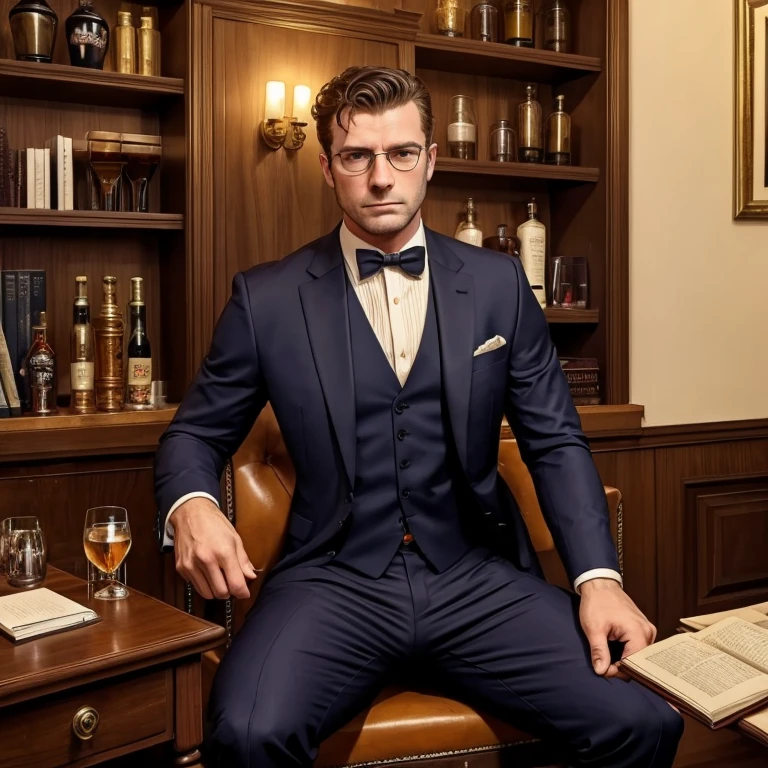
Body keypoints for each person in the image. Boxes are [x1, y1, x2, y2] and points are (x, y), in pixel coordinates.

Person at [154, 65, 683, 767]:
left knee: (643, 719)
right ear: (327, 168)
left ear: (430, 160)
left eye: (401, 153)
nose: (381, 177)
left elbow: (554, 440)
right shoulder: (267, 299)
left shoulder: (498, 287)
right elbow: (194, 432)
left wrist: (599, 579)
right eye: (357, 157)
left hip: (473, 573)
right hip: (332, 580)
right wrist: (191, 504)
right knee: (248, 734)